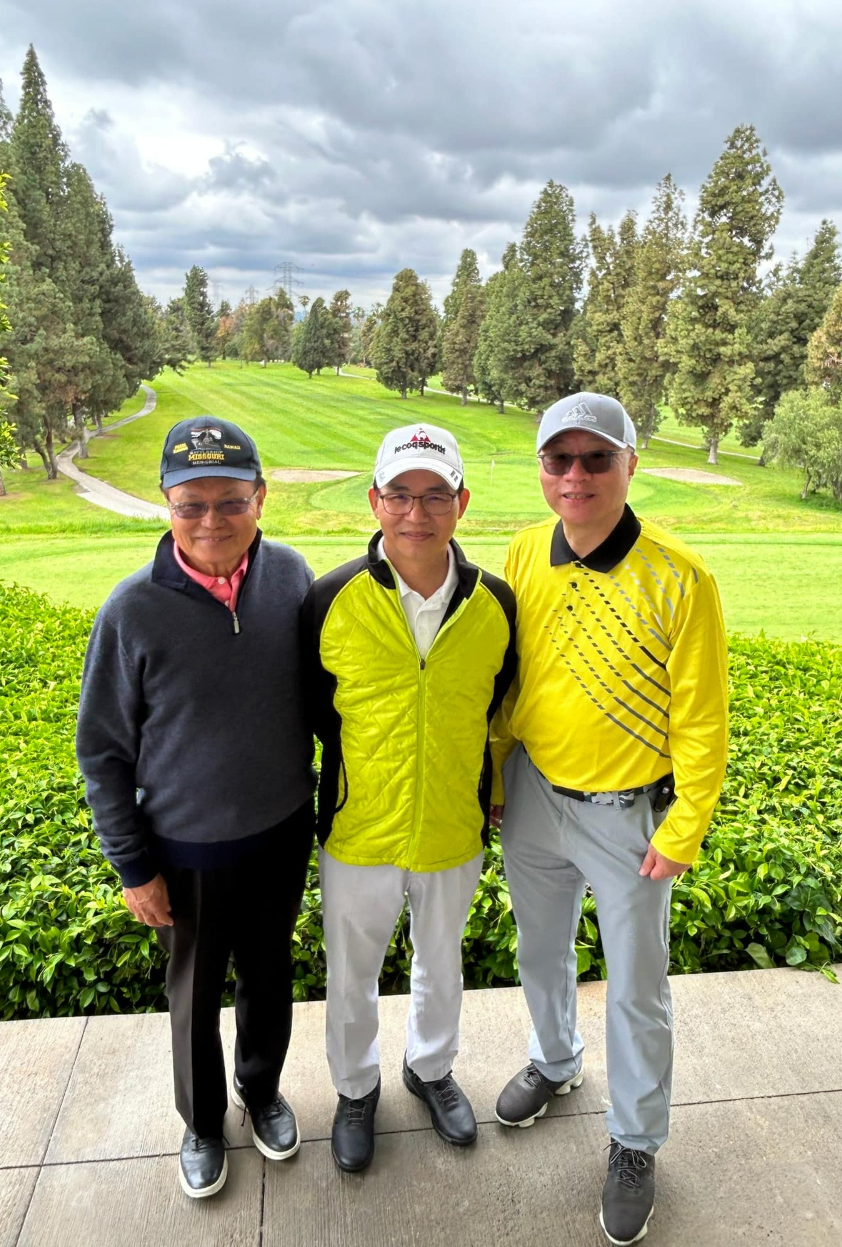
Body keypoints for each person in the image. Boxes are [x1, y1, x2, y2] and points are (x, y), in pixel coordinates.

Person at [490, 393, 728, 1246]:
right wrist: (496, 771)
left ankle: (635, 1141)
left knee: (634, 989)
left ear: (631, 464)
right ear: (542, 469)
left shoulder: (681, 576)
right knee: (539, 951)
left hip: (629, 817)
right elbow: (511, 679)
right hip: (534, 795)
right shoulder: (524, 550)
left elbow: (702, 717)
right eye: (560, 459)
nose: (577, 476)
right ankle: (555, 1061)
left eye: (597, 458)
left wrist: (684, 825)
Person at [76, 416, 316, 1199]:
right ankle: (203, 1123)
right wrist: (132, 867)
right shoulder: (132, 609)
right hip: (186, 851)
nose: (212, 521)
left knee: (269, 977)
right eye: (192, 505)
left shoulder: (291, 577)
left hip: (281, 834)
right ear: (167, 504)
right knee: (193, 996)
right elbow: (102, 752)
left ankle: (262, 1092)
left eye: (230, 501)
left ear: (261, 497)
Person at [300, 423, 516, 1173]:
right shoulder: (329, 598)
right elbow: (314, 712)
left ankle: (430, 1069)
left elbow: (499, 705)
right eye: (399, 495)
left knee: (441, 961)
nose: (415, 513)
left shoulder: (496, 603)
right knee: (350, 972)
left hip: (453, 824)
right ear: (374, 501)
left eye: (434, 496)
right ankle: (355, 1089)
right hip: (359, 827)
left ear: (462, 502)